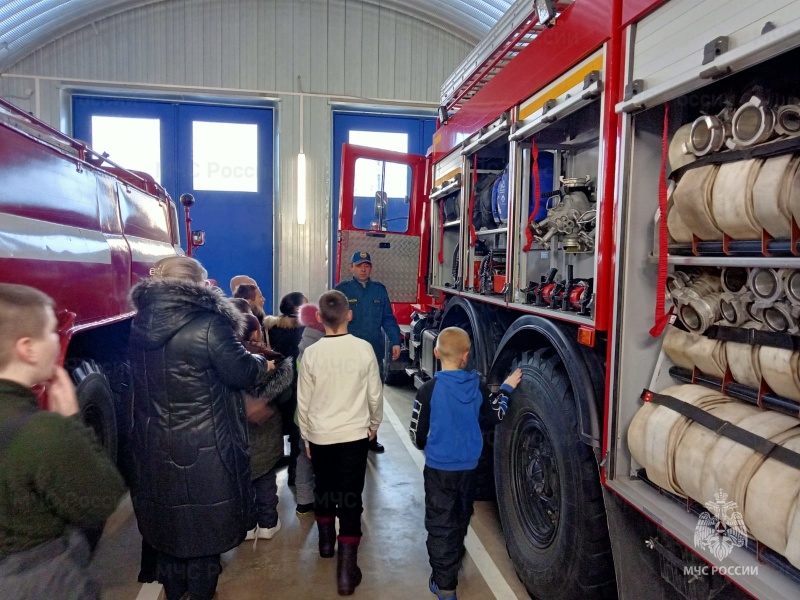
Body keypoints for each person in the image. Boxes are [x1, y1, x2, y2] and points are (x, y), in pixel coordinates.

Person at [128, 255, 277, 600]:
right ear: (197, 286)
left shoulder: (140, 322)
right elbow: (241, 371)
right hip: (205, 447)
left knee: (169, 530)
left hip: (154, 443)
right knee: (204, 535)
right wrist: (261, 363)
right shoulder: (209, 325)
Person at [0, 283, 126, 600]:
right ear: (27, 348)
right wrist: (72, 422)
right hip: (38, 580)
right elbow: (100, 499)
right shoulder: (43, 432)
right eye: (52, 332)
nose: (58, 340)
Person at [408, 327, 522, 600]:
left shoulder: (428, 391)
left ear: (435, 352)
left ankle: (445, 585)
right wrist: (506, 388)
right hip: (468, 468)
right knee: (460, 515)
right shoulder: (478, 387)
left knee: (440, 522)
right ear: (466, 356)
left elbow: (417, 433)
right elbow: (494, 415)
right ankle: (454, 559)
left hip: (439, 469)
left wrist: (427, 447)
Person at [297, 290, 383, 596]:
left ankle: (324, 545)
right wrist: (374, 424)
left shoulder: (311, 354)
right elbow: (375, 394)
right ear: (350, 314)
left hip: (320, 435)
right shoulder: (364, 349)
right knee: (350, 496)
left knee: (325, 488)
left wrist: (307, 435)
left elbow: (303, 402)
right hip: (353, 436)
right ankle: (347, 574)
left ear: (319, 319)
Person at [335, 251, 401, 454]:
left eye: (367, 265)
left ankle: (371, 437)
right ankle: (349, 436)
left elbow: (388, 319)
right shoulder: (342, 290)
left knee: (373, 395)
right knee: (350, 394)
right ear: (351, 267)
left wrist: (395, 342)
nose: (364, 269)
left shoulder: (379, 290)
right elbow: (334, 319)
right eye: (359, 265)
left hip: (374, 352)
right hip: (350, 353)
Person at [238, 313, 293, 541]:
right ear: (256, 333)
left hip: (239, 436)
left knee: (242, 482)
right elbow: (286, 396)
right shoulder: (274, 361)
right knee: (266, 479)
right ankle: (268, 523)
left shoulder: (227, 363)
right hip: (268, 433)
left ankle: (248, 526)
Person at [265, 292, 307, 484]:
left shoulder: (271, 327)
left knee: (280, 423)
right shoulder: (304, 330)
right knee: (296, 429)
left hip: (278, 382)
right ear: (297, 309)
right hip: (298, 382)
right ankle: (294, 472)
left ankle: (275, 462)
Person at [292, 302, 326, 515]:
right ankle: (323, 502)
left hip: (302, 417)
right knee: (321, 461)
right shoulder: (320, 350)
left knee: (304, 458)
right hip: (319, 417)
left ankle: (304, 502)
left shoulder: (303, 347)